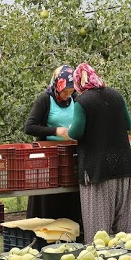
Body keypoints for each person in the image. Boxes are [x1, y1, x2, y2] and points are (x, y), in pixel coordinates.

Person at [66, 62, 131, 238]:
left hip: (97, 172)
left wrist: (67, 129)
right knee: (127, 233)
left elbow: (76, 132)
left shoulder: (83, 101)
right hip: (125, 168)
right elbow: (128, 124)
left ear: (78, 82)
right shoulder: (116, 96)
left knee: (99, 233)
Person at [23, 65, 83, 236]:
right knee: (48, 198)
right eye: (65, 91)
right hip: (48, 157)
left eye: (71, 91)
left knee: (69, 195)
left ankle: (69, 234)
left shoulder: (75, 99)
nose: (67, 95)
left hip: (70, 155)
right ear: (57, 84)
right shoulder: (45, 99)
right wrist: (55, 131)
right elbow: (30, 127)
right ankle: (44, 235)